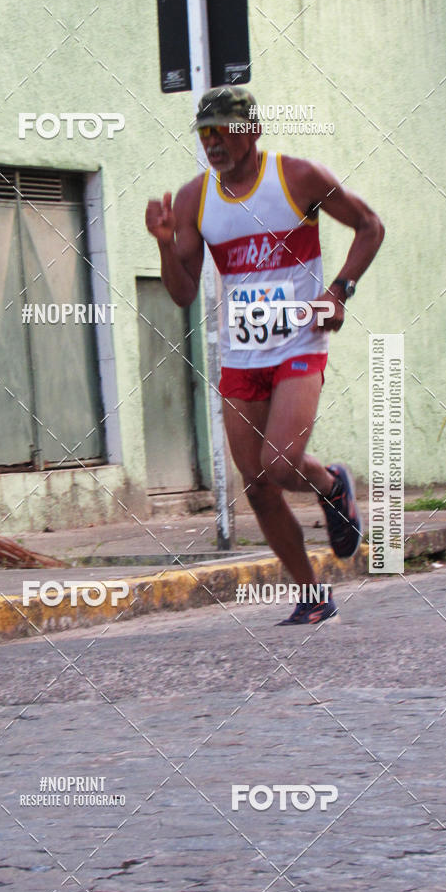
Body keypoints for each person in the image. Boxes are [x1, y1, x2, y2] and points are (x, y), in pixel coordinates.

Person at [145, 86, 384, 624]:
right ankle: (313, 595)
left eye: (222, 130)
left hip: (300, 341)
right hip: (242, 353)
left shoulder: (298, 178)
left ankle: (330, 485)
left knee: (279, 464)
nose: (212, 143)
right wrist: (164, 243)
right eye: (204, 133)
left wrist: (338, 290)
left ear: (251, 130)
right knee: (255, 484)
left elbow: (371, 226)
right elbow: (183, 293)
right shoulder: (193, 200)